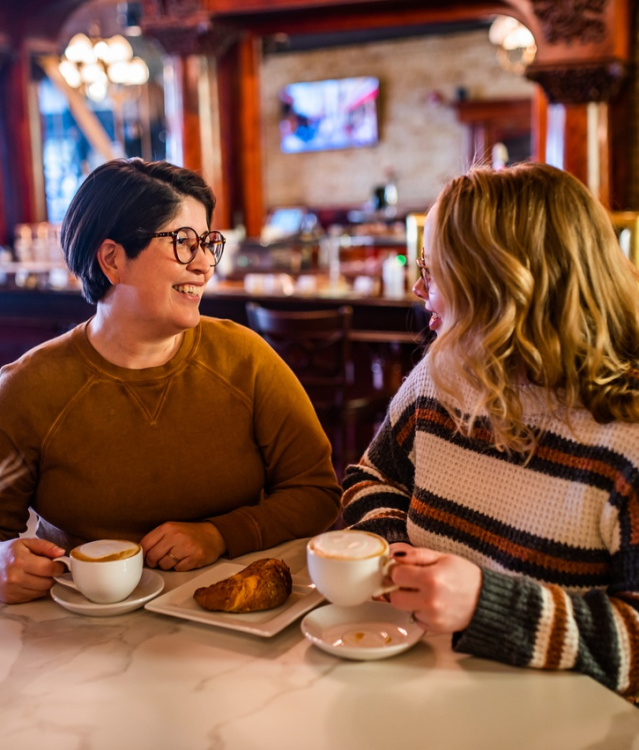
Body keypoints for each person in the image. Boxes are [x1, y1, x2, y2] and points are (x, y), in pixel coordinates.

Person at [341, 162, 639, 701]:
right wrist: (393, 554)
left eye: (433, 269)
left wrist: (488, 606)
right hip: (422, 690)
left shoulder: (628, 437)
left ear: (500, 284)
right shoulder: (440, 376)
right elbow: (371, 477)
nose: (417, 287)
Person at [0, 158, 340, 604]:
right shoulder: (28, 388)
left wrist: (220, 534)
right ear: (112, 259)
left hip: (235, 617)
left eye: (207, 243)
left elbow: (317, 492)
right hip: (82, 629)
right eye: (183, 242)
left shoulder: (245, 359)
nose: (204, 265)